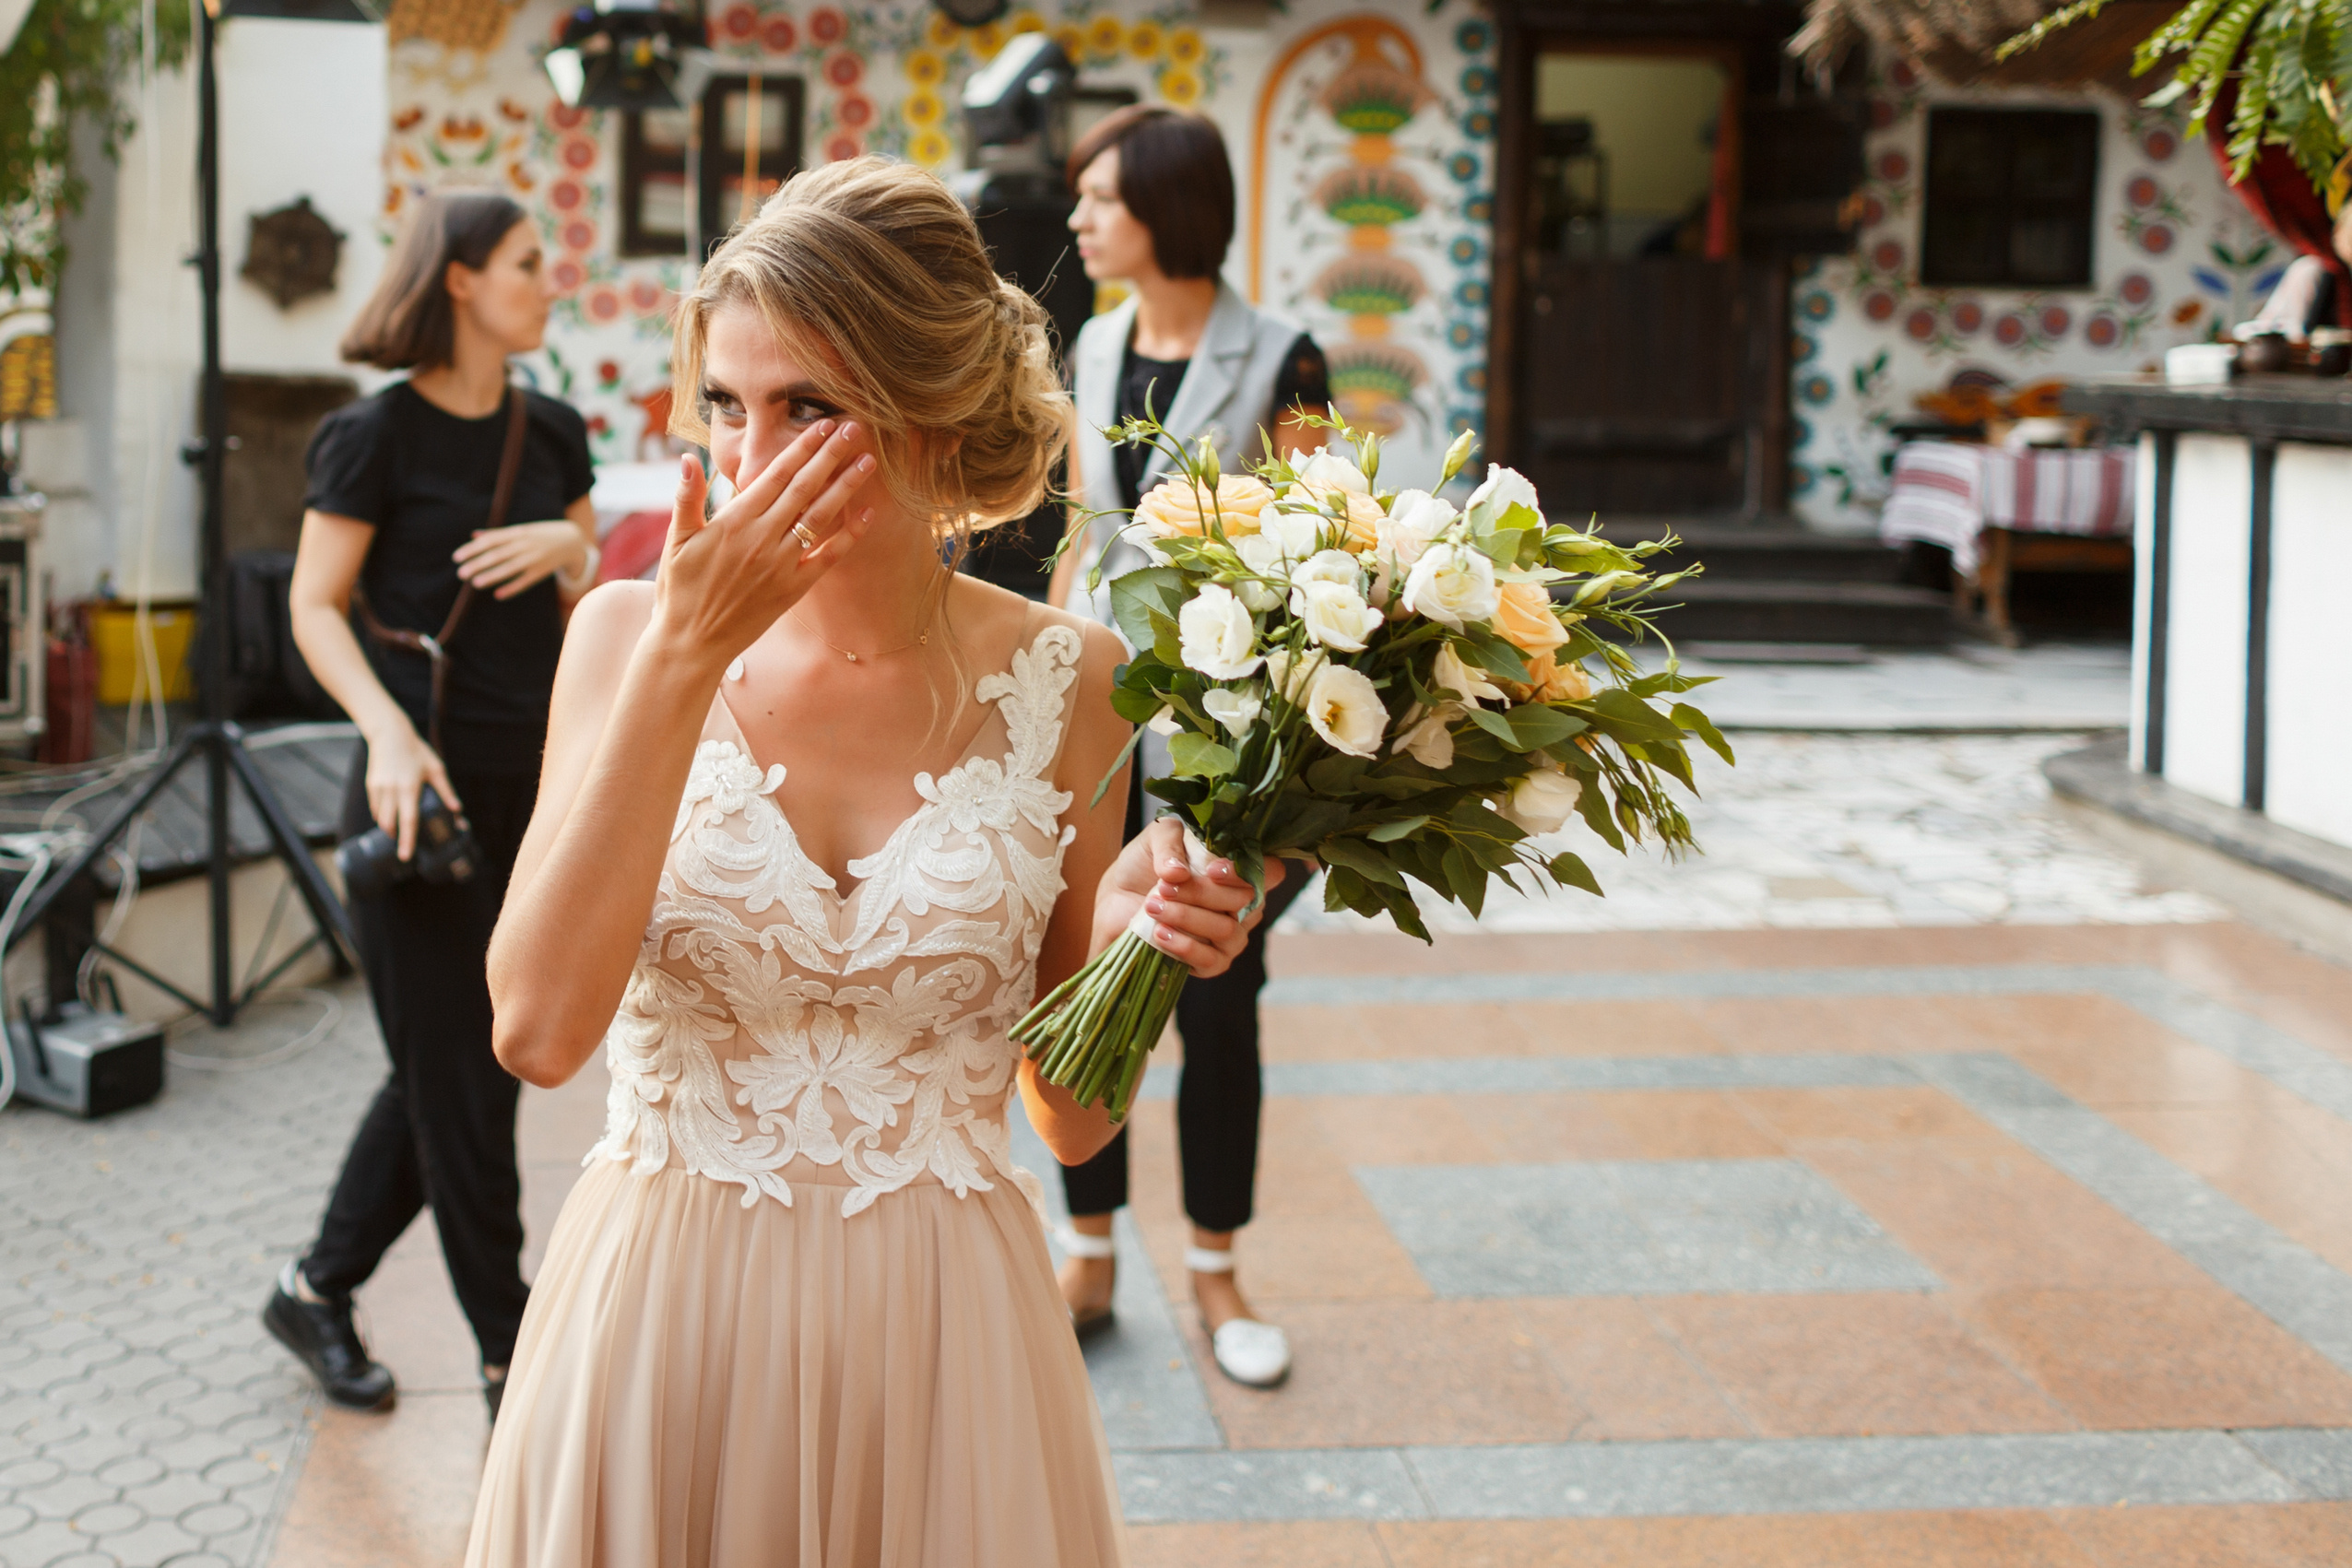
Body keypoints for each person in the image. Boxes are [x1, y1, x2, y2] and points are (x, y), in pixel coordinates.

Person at [464, 157, 1272, 1566]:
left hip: (947, 1340)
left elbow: (1071, 1122)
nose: (752, 460)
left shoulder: (1075, 678)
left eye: (810, 409)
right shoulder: (618, 639)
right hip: (663, 1319)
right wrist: (681, 665)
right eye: (727, 406)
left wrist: (1149, 945)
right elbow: (535, 1030)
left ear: (934, 412)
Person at [263, 190, 600, 1421]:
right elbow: (313, 605)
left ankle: (317, 1285)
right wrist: (388, 730)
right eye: (523, 262)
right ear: (458, 279)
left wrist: (571, 552)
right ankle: (511, 1351)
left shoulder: (551, 430)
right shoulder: (373, 436)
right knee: (464, 1077)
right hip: (419, 796)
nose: (544, 280)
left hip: (533, 786)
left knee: (450, 1072)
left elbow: (586, 600)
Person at [1046, 103, 1330, 1389]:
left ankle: (1217, 1265)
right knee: (1082, 971)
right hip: (1099, 726)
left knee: (1221, 1006)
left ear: (1167, 205)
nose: (1079, 219)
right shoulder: (1093, 346)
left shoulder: (1284, 357)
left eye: (1100, 197)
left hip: (1235, 743)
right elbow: (1081, 538)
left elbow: (1327, 541)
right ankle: (1088, 1241)